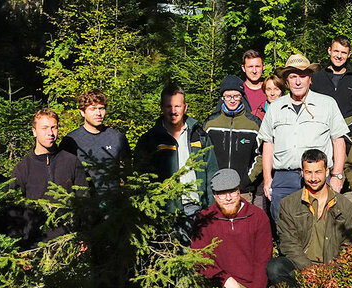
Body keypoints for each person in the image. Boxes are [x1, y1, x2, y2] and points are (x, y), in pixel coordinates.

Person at [258, 54, 349, 221]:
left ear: (310, 79)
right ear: (286, 80)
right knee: (283, 228)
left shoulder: (327, 104)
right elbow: (268, 144)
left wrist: (337, 176)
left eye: (302, 76)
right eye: (293, 77)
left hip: (318, 178)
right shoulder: (275, 107)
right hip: (283, 179)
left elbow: (338, 141)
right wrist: (267, 178)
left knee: (319, 228)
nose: (298, 82)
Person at [134, 84, 218, 243]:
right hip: (165, 212)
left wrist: (211, 208)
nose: (173, 111)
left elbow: (211, 173)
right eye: (168, 106)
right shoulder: (150, 140)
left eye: (177, 106)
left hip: (197, 209)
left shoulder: (199, 136)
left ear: (185, 107)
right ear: (161, 108)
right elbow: (140, 178)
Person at [266, 149, 352, 288]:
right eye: (308, 172)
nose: (313, 178)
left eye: (318, 172)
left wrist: (332, 273)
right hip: (300, 266)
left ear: (327, 171)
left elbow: (351, 245)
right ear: (302, 173)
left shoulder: (346, 206)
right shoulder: (288, 204)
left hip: (334, 270)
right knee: (275, 267)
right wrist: (310, 271)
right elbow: (288, 244)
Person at [11, 109, 88, 248]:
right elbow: (14, 212)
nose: (50, 133)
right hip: (35, 245)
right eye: (44, 128)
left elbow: (84, 201)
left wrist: (84, 235)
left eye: (54, 127)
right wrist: (19, 248)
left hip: (70, 242)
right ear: (34, 131)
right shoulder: (22, 169)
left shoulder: (71, 162)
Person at [192, 168, 272, 288]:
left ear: (239, 191)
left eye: (232, 192)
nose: (228, 198)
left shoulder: (257, 216)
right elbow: (199, 257)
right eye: (222, 194)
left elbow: (262, 260)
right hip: (217, 284)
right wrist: (224, 279)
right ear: (214, 195)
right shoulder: (205, 218)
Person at [60, 89, 130, 196]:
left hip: (114, 204)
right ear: (82, 112)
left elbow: (127, 172)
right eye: (92, 109)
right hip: (83, 204)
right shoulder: (70, 141)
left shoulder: (118, 138)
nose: (98, 113)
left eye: (101, 108)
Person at [203, 76, 262, 202]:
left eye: (236, 96)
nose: (232, 100)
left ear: (242, 97)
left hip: (243, 191)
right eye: (228, 96)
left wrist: (248, 178)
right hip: (216, 191)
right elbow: (203, 155)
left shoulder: (253, 124)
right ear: (222, 98)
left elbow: (261, 154)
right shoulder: (211, 124)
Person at [311, 35, 352, 146]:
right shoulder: (316, 78)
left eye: (343, 53)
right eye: (336, 51)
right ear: (329, 51)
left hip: (347, 136)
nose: (339, 56)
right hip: (320, 135)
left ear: (349, 55)